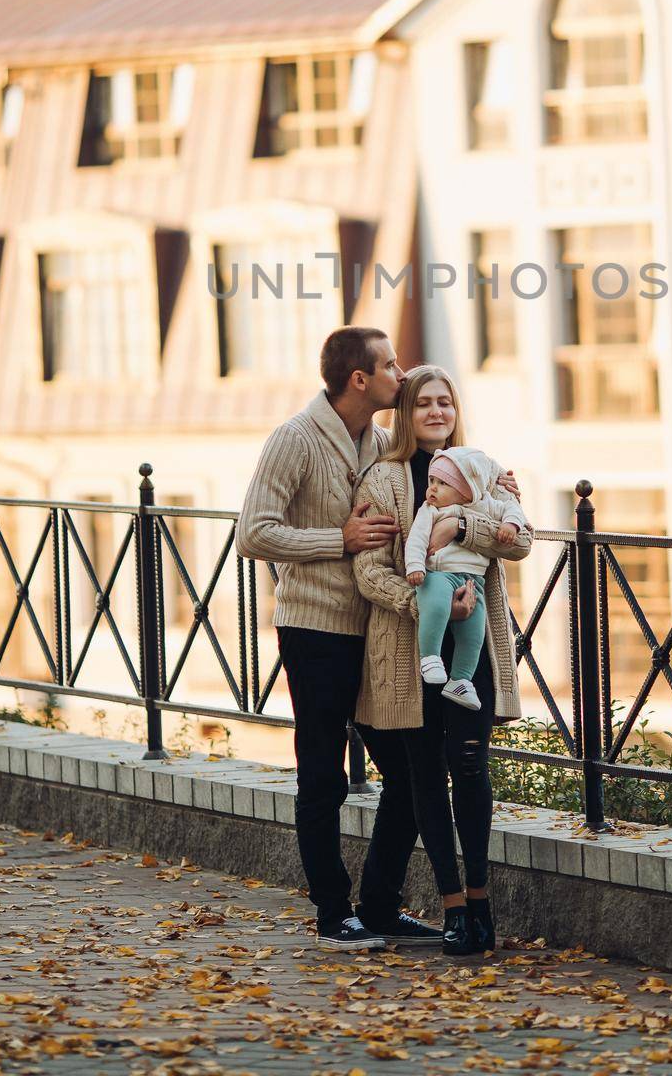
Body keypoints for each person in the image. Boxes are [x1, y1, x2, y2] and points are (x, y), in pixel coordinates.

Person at [236, 326, 446, 951]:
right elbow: (253, 533)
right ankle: (334, 913)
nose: (402, 374)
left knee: (409, 773)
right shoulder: (293, 440)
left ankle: (380, 904)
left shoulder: (384, 442)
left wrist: (495, 493)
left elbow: (437, 488)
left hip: (380, 632)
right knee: (323, 776)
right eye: (390, 365)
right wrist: (340, 540)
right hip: (315, 630)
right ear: (360, 379)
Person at [351, 366, 531, 956]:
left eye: (445, 402)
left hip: (473, 647)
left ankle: (481, 901)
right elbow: (369, 568)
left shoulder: (481, 469)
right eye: (423, 402)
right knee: (426, 773)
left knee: (472, 766)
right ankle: (452, 908)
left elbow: (522, 540)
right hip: (409, 650)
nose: (435, 411)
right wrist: (424, 604)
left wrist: (463, 521)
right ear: (405, 412)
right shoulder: (383, 477)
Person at [405, 447, 528, 712]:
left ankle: (460, 680)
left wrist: (510, 525)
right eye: (432, 482)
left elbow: (514, 511)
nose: (433, 489)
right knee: (435, 607)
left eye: (443, 483)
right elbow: (416, 539)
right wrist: (415, 566)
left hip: (474, 581)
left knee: (473, 634)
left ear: (467, 489)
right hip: (438, 575)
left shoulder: (485, 505)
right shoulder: (431, 510)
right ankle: (430, 657)